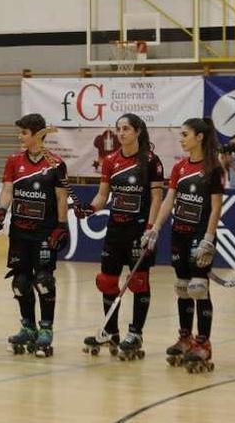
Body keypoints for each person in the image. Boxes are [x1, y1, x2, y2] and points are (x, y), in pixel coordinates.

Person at [75, 114, 164, 360]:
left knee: (138, 282)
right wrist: (89, 209)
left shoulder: (150, 161)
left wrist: (151, 228)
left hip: (139, 231)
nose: (121, 133)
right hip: (115, 230)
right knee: (107, 281)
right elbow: (103, 195)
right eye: (118, 129)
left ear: (137, 132)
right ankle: (110, 331)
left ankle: (135, 333)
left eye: (126, 129)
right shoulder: (110, 160)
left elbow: (157, 198)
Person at [143, 118, 223, 373]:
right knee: (183, 287)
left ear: (200, 137)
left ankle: (204, 341)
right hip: (180, 234)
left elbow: (216, 208)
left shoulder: (213, 168)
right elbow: (169, 201)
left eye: (185, 134)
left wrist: (209, 238)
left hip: (201, 235)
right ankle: (185, 337)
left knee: (199, 287)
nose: (181, 138)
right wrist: (155, 228)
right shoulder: (179, 167)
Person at [0, 113, 69, 358]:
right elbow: (7, 190)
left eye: (24, 133)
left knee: (44, 281)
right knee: (20, 283)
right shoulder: (14, 161)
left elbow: (60, 197)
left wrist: (62, 225)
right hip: (20, 232)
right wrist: (1, 210)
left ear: (37, 134)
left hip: (45, 232)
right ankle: (28, 327)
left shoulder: (55, 163)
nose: (20, 137)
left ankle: (46, 329)